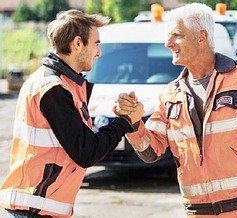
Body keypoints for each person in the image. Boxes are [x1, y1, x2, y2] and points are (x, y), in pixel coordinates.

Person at [114, 3, 237, 218]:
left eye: (177, 35)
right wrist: (134, 122)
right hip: (199, 212)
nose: (168, 43)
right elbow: (150, 152)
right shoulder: (169, 94)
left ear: (201, 37)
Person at [0, 9, 143, 218]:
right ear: (77, 44)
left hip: (39, 207)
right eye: (96, 43)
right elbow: (86, 152)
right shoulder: (52, 88)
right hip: (34, 209)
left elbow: (83, 140)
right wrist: (125, 121)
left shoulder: (62, 83)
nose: (99, 52)